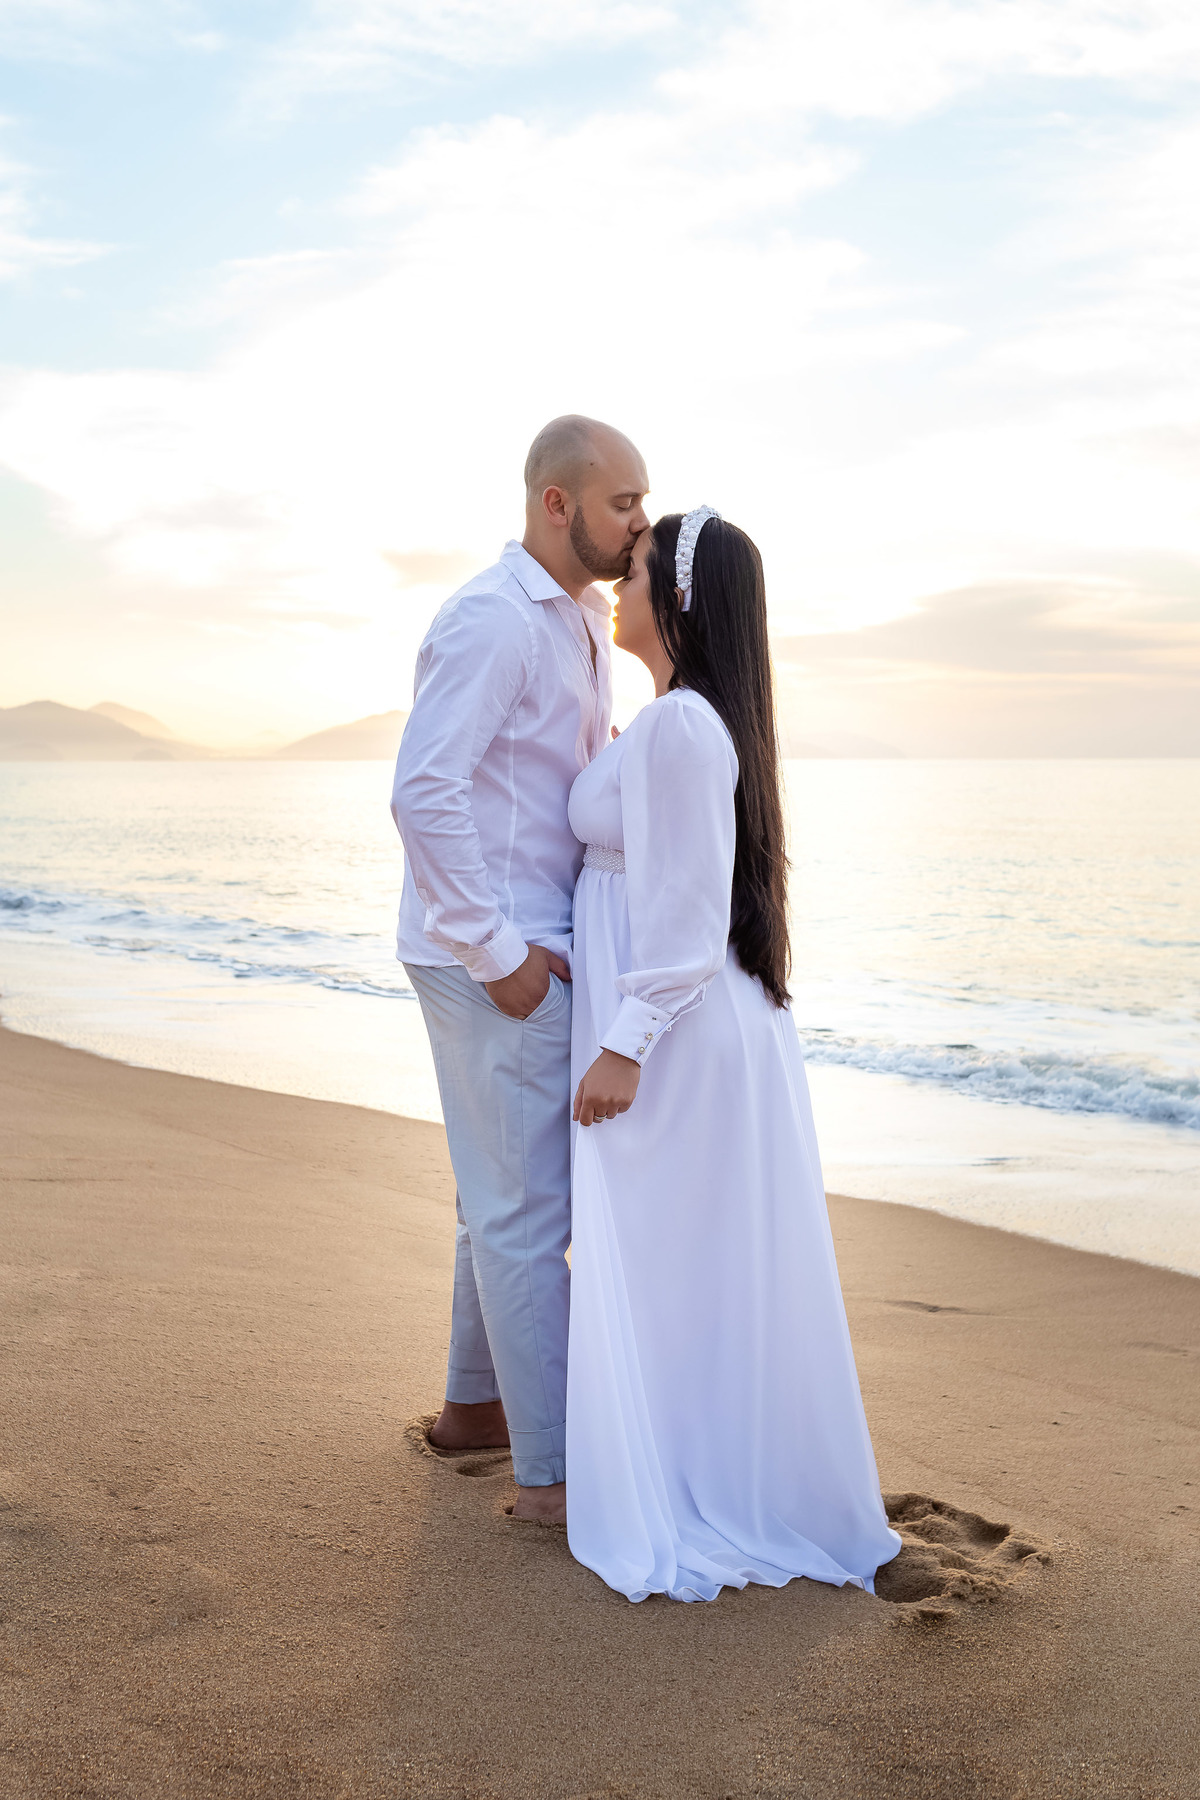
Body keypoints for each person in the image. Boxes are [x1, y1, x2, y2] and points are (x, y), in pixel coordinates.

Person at [565, 507, 901, 1600]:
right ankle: (711, 1468)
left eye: (639, 572)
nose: (620, 585)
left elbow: (686, 913)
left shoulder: (677, 730)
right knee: (702, 1263)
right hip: (704, 1032)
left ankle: (697, 1488)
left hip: (676, 1040)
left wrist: (624, 1044)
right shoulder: (689, 723)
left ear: (680, 601)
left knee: (679, 1264)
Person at [391, 415, 649, 1524]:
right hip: (496, 957)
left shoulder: (581, 619)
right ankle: (548, 1478)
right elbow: (423, 792)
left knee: (493, 1198)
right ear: (559, 503)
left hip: (535, 947)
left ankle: (473, 1413)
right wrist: (499, 957)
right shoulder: (496, 621)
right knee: (521, 1214)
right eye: (623, 502)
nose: (640, 522)